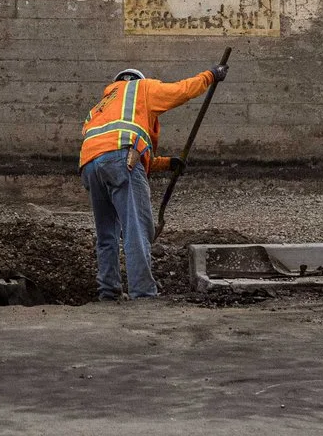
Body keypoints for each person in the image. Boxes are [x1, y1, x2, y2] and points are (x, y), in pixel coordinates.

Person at [76, 62, 226, 301]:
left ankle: (109, 292)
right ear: (136, 79)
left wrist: (167, 163)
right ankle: (143, 293)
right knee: (136, 230)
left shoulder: (101, 107)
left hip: (90, 167)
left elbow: (118, 151)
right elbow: (181, 91)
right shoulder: (141, 89)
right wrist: (210, 76)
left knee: (107, 234)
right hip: (119, 160)